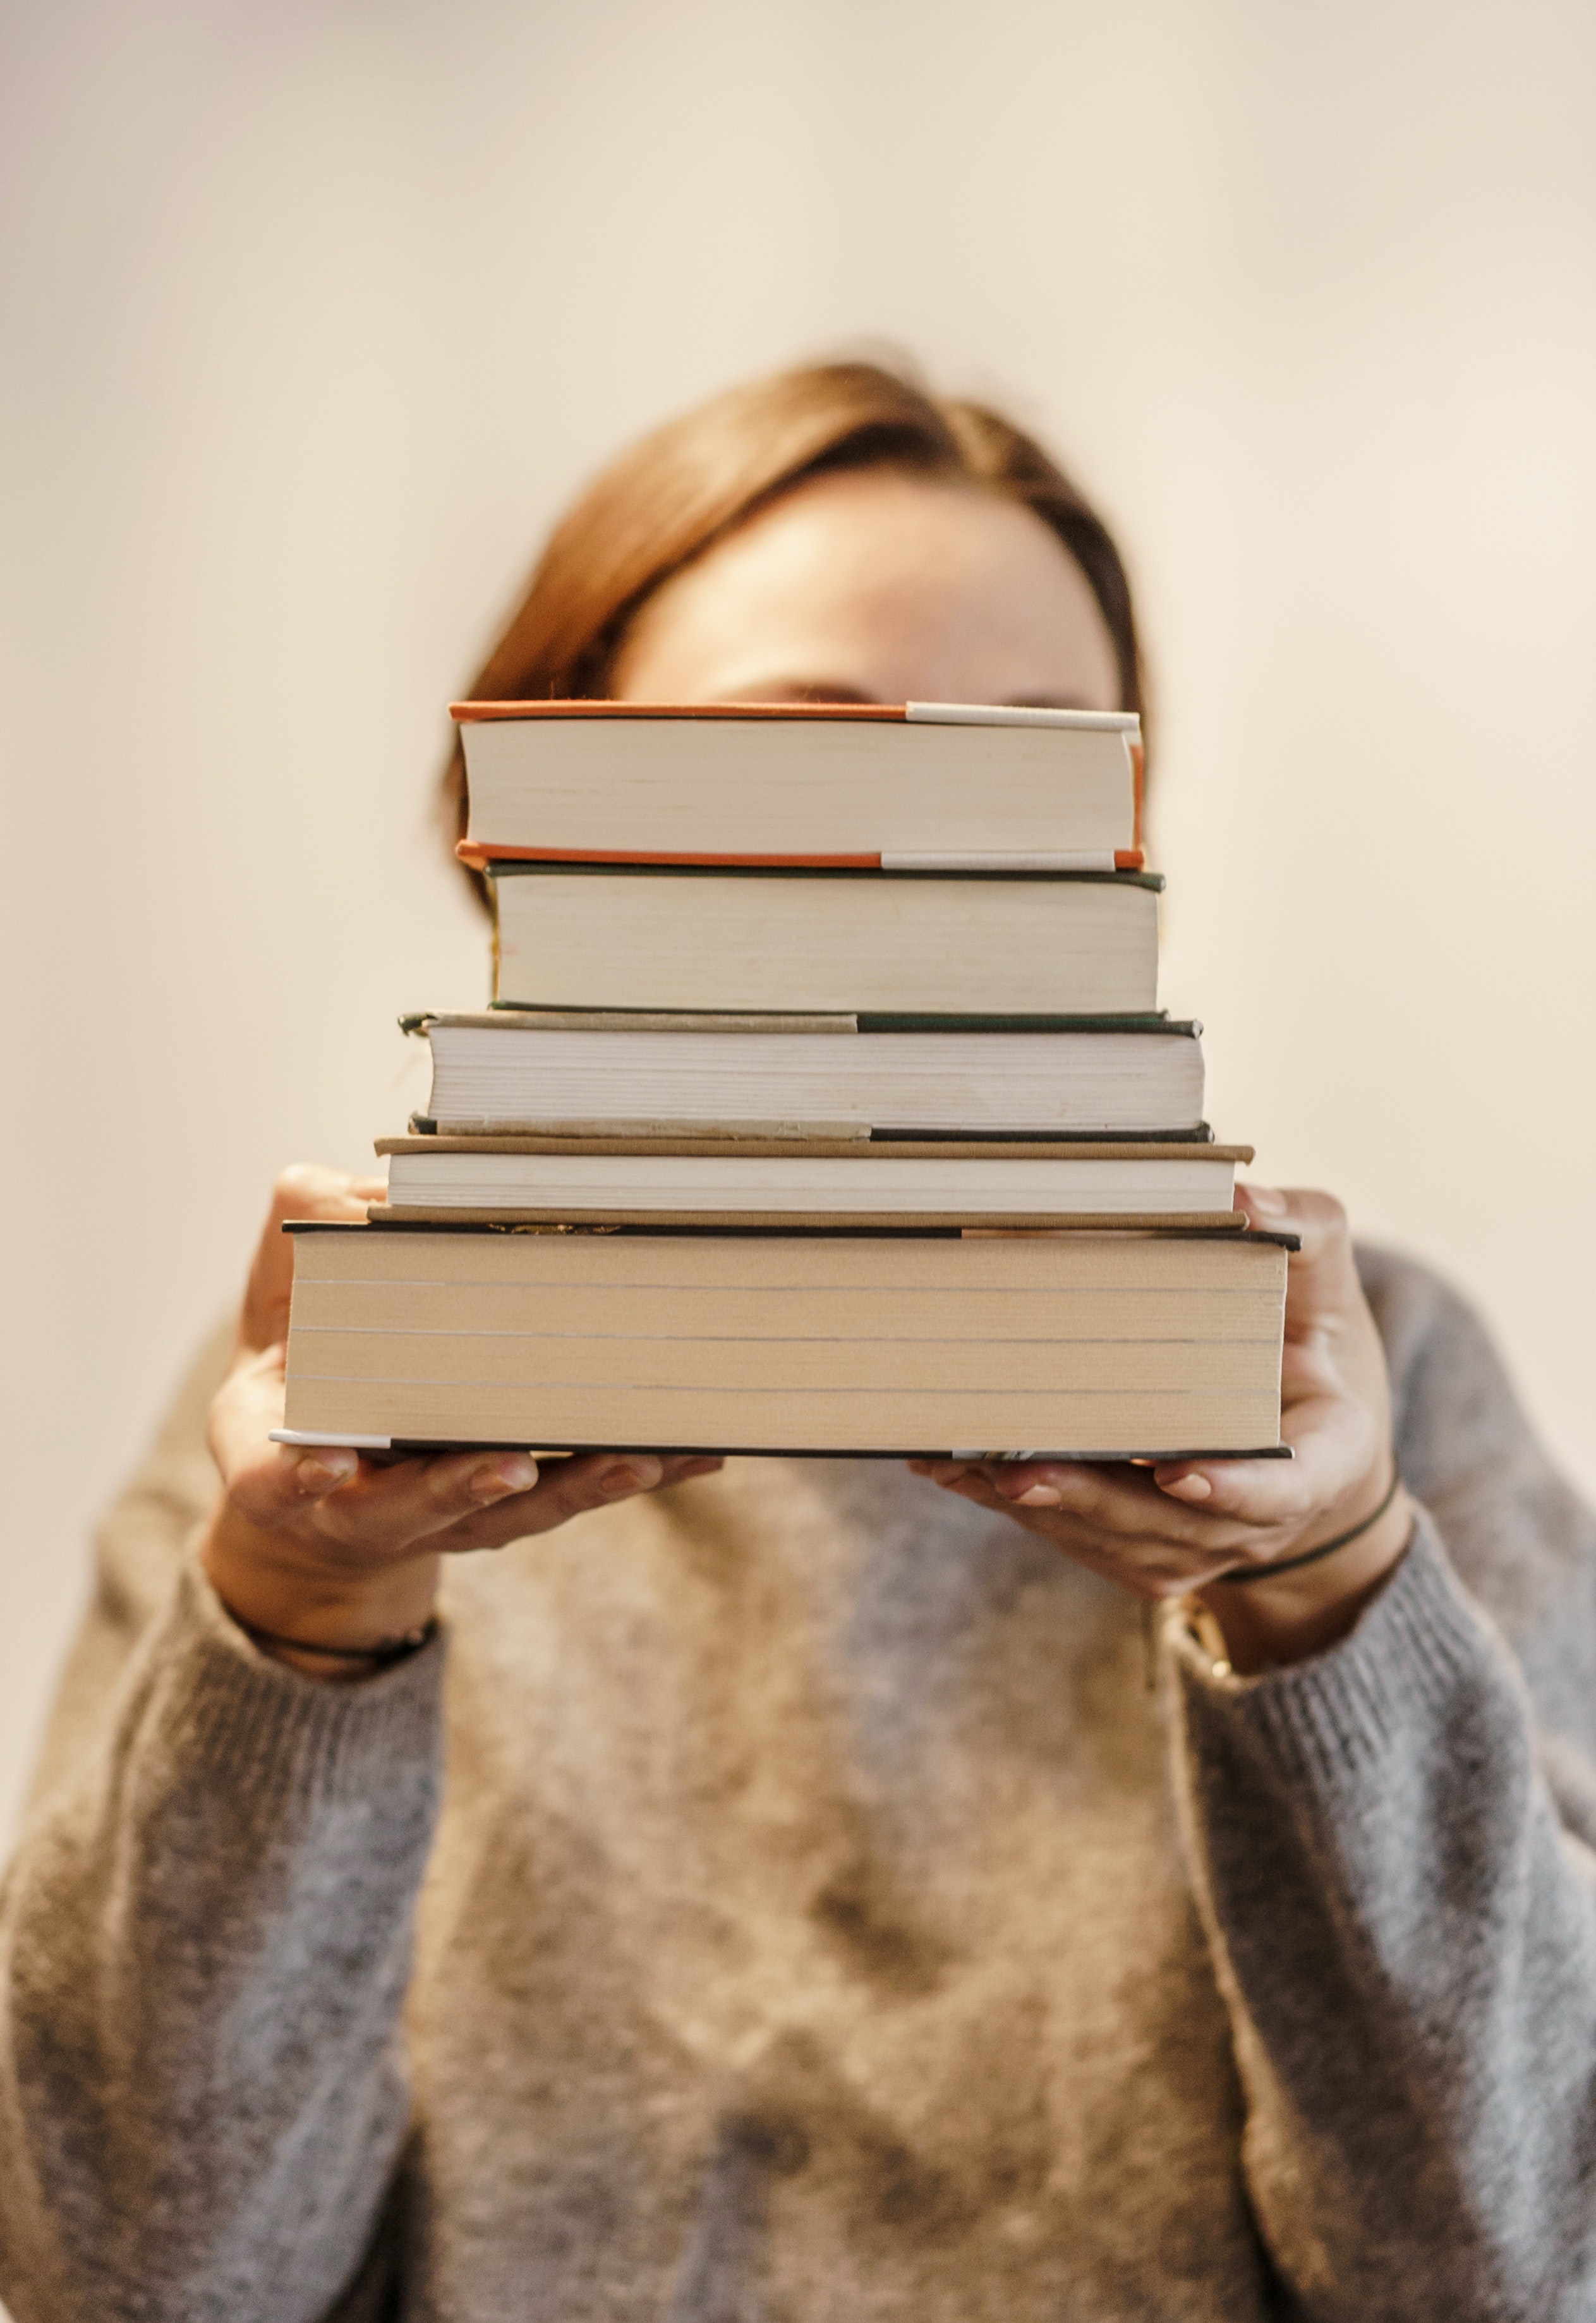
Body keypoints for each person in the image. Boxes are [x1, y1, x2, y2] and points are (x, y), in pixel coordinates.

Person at [2, 361, 1593, 2322]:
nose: (928, 860)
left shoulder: (1372, 1378)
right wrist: (301, 1613)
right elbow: (130, 2276)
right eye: (797, 753)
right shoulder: (332, 1418)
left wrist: (1330, 1592)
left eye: (1034, 773)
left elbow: (1523, 2268)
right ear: (540, 823)